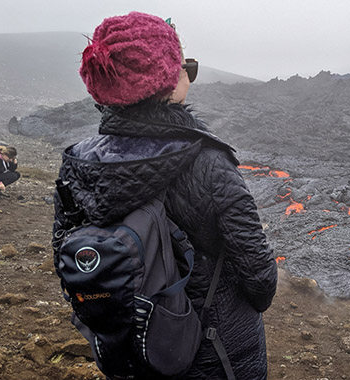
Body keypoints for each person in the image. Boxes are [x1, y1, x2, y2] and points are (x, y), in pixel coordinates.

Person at [52, 12, 277, 379]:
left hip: (127, 346)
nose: (188, 72)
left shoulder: (78, 163)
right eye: (184, 65)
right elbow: (260, 278)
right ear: (169, 81)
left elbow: (68, 261)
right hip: (214, 352)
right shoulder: (209, 162)